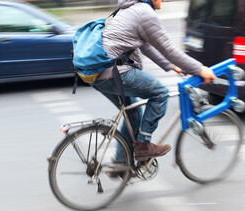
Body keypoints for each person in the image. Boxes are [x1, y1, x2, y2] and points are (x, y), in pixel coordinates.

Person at [91, 0, 216, 162]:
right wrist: (199, 69)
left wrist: (170, 66)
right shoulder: (145, 13)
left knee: (133, 112)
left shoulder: (130, 9)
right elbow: (169, 49)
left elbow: (145, 46)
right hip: (115, 73)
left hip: (97, 74)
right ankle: (143, 144)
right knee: (160, 93)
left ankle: (120, 164)